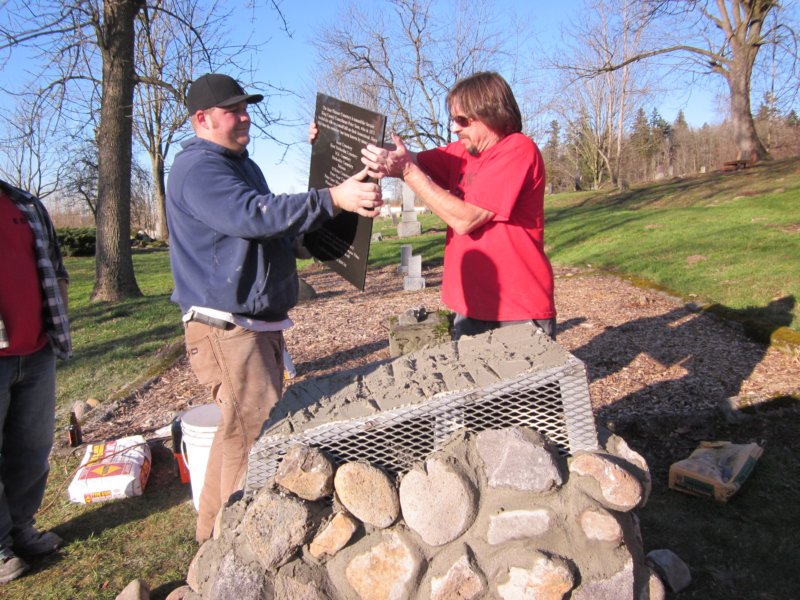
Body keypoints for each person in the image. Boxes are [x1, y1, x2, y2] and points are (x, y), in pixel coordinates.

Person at [166, 73, 382, 543]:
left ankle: (211, 542)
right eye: (233, 110)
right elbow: (252, 215)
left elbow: (273, 228)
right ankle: (234, 553)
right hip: (228, 330)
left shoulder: (239, 164)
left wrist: (329, 192)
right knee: (252, 444)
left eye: (246, 107)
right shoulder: (199, 169)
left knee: (236, 437)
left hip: (249, 326)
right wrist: (333, 197)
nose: (245, 117)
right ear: (202, 119)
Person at [359, 71, 556, 340]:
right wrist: (332, 139)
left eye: (462, 120)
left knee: (524, 384)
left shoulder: (518, 149)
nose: (454, 127)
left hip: (516, 309)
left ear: (492, 114)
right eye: (453, 119)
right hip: (469, 306)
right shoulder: (461, 153)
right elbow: (405, 158)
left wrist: (407, 172)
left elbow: (467, 219)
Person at [0, 179, 71, 583]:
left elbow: (56, 267)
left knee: (31, 448)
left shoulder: (24, 203)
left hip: (36, 348)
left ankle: (21, 529)